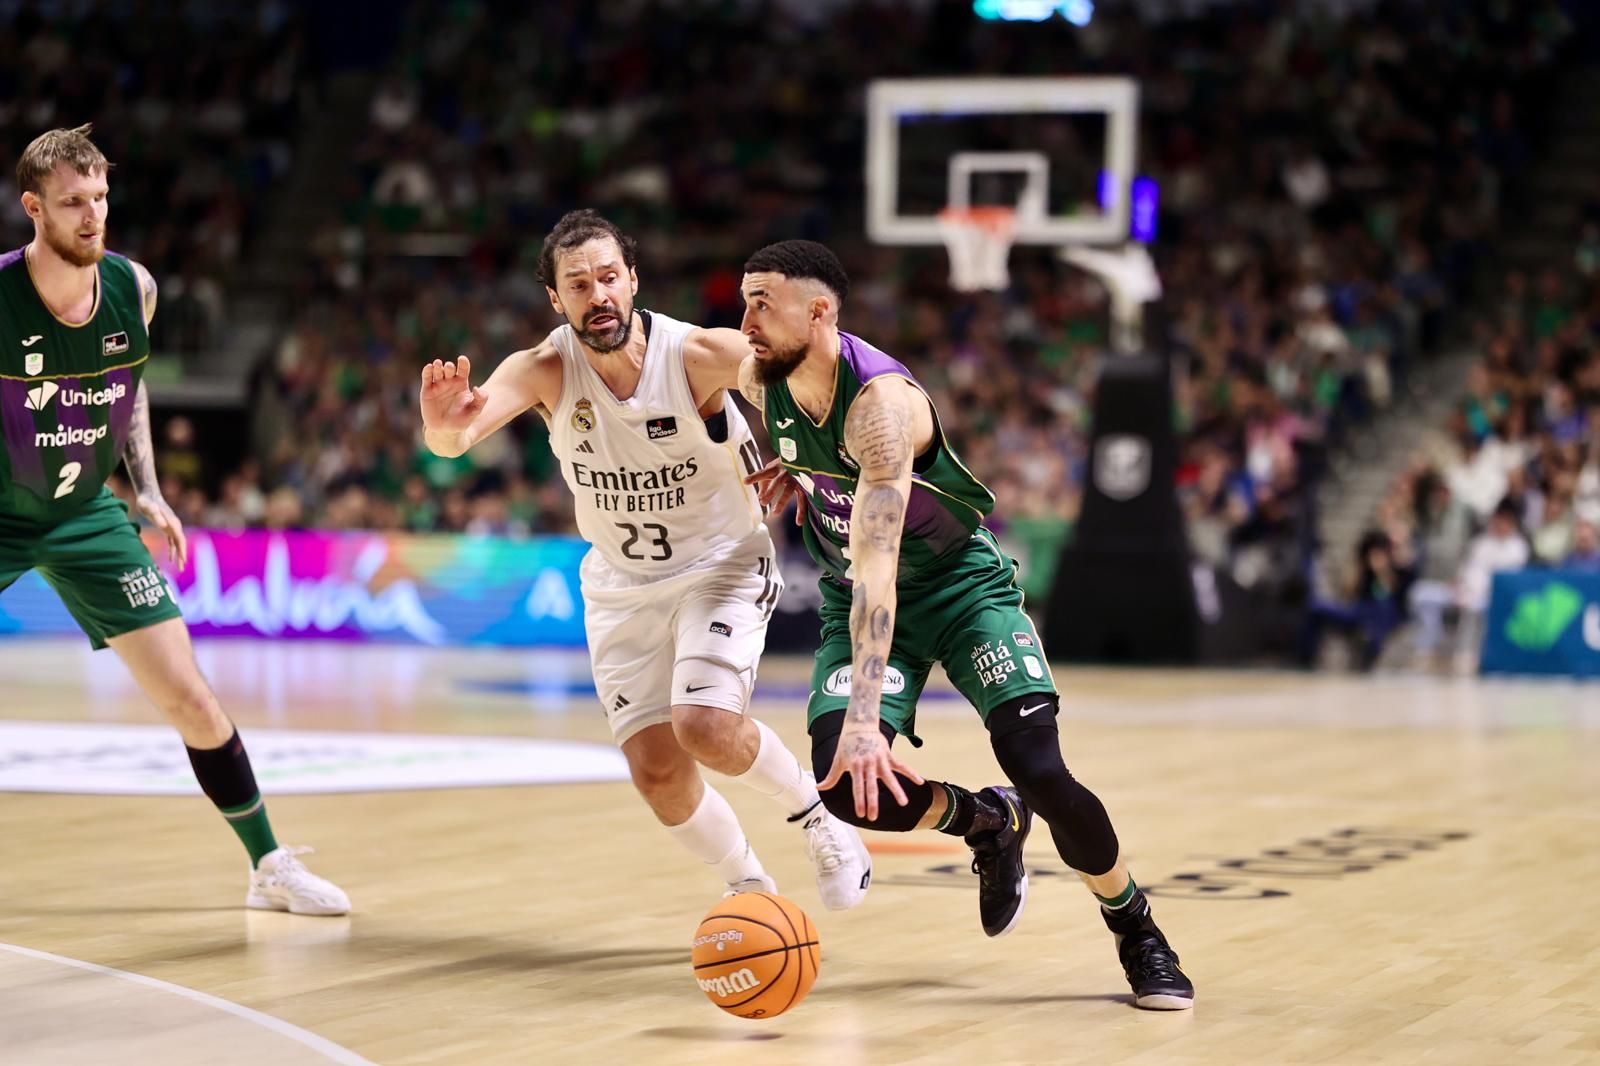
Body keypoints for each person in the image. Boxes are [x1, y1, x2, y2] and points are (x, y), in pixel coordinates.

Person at [736, 240, 1193, 1010]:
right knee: (850, 788)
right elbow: (699, 371)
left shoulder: (880, 409)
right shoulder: (760, 375)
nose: (745, 319)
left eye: (761, 302)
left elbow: (879, 567)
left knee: (1038, 767)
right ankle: (987, 822)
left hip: (955, 587)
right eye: (743, 300)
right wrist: (793, 464)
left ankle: (1136, 927)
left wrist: (863, 719)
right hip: (862, 596)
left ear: (820, 312)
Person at [418, 210, 870, 908]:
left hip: (720, 563)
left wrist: (809, 451)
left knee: (705, 727)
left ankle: (820, 820)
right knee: (658, 774)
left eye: (607, 278)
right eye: (578, 284)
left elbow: (806, 385)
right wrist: (443, 426)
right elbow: (455, 440)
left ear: (631, 282)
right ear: (555, 300)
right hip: (621, 585)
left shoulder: (697, 354)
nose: (597, 294)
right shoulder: (542, 369)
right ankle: (749, 885)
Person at [0, 126, 347, 914]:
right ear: (33, 209)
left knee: (190, 696)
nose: (92, 217)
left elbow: (128, 386)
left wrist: (147, 487)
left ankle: (268, 866)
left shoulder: (135, 288)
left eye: (100, 200)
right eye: (72, 204)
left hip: (86, 511)